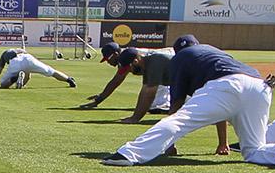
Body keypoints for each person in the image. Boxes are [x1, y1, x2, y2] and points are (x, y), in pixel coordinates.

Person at [102, 34, 275, 170]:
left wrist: (170, 143)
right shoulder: (213, 51)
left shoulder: (180, 58)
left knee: (180, 120)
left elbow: (176, 107)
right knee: (253, 150)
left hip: (227, 85)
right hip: (260, 86)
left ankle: (129, 154)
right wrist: (222, 142)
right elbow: (221, 108)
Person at [82, 46, 227, 156]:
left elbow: (150, 93)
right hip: (182, 84)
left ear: (136, 61)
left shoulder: (154, 62)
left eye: (131, 68)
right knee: (175, 113)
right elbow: (144, 91)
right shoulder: (146, 64)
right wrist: (134, 116)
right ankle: (171, 147)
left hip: (198, 79)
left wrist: (135, 118)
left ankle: (223, 144)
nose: (131, 72)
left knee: (216, 108)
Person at [0, 44, 77, 90]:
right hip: (29, 59)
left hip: (15, 63)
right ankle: (69, 80)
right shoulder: (21, 51)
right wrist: (21, 85)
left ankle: (14, 78)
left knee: (3, 84)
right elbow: (28, 76)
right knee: (51, 71)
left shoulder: (4, 54)